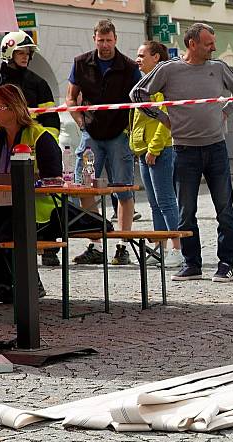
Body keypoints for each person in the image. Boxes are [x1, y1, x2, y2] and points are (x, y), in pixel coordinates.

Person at [131, 23, 233, 282]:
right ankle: (191, 263)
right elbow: (137, 93)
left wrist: (226, 112)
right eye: (208, 44)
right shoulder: (169, 69)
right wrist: (162, 118)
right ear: (192, 44)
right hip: (184, 151)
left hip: (216, 148)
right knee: (186, 211)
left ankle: (226, 263)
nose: (213, 48)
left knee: (225, 209)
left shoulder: (218, 68)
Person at [0, 31, 62, 267]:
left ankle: (46, 247)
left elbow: (51, 121)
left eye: (28, 53)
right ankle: (3, 283)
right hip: (0, 162)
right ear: (8, 53)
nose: (26, 57)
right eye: (20, 52)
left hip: (33, 162)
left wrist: (45, 144)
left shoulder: (38, 83)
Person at [66, 19, 141, 265]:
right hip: (91, 136)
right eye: (101, 40)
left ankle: (122, 244)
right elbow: (70, 98)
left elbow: (139, 101)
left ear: (115, 39)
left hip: (119, 135)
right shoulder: (81, 63)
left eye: (109, 40)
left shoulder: (129, 67)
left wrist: (129, 128)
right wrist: (81, 124)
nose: (105, 44)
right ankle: (95, 242)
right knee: (85, 188)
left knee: (123, 188)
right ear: (94, 39)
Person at [0, 84, 61, 304]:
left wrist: (30, 181)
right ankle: (0, 284)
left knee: (1, 234)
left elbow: (54, 178)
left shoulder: (40, 136)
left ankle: (11, 284)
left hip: (36, 208)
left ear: (15, 108)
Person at [130, 41, 183, 268]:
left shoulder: (161, 85)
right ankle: (159, 247)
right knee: (154, 203)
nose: (138, 59)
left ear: (156, 58)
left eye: (142, 55)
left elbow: (165, 120)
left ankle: (177, 250)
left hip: (159, 149)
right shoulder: (143, 83)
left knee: (167, 201)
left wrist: (154, 148)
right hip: (143, 149)